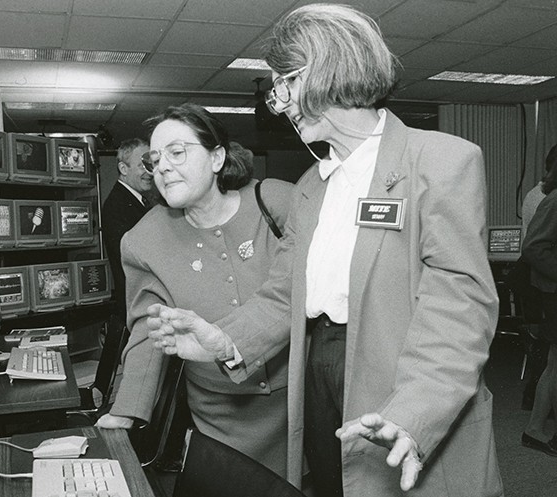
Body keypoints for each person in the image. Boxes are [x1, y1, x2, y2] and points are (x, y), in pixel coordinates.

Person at [147, 4, 502, 496]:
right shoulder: (313, 185)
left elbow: (459, 309)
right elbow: (284, 295)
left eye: (283, 85)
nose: (279, 103)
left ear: (322, 71)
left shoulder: (441, 161)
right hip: (319, 371)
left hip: (405, 378)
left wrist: (413, 413)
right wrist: (222, 340)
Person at [96, 103, 294, 478]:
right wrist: (125, 410)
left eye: (177, 152)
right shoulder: (143, 241)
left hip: (298, 405)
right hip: (221, 419)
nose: (162, 167)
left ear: (217, 157)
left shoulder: (278, 203)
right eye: (155, 159)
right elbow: (148, 331)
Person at [520, 153, 557, 457]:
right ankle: (535, 430)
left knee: (554, 364)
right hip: (553, 292)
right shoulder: (554, 199)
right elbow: (533, 246)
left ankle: (534, 430)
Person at [101, 138, 154, 321]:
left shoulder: (136, 200)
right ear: (124, 169)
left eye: (151, 165)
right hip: (138, 304)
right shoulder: (117, 205)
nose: (150, 172)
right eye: (142, 166)